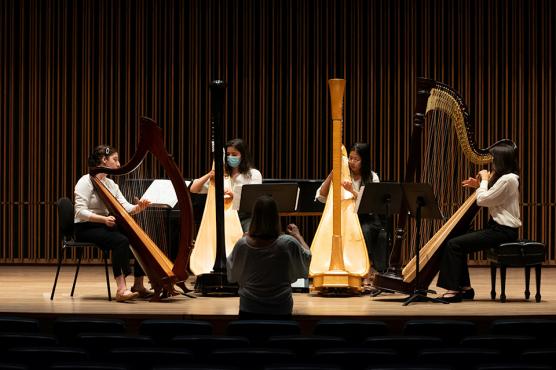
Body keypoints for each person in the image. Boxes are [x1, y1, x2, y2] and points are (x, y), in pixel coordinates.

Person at [436, 142, 521, 303]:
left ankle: (454, 290)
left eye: (493, 159)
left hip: (503, 231)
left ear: (500, 160)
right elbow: (493, 195)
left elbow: (482, 200)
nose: (491, 163)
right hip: (498, 229)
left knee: (454, 245)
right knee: (456, 239)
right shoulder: (506, 179)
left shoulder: (508, 179)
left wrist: (483, 180)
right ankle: (465, 289)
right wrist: (480, 184)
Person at [74, 145, 153, 302]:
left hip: (104, 225)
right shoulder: (86, 181)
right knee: (120, 241)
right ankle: (121, 290)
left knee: (138, 238)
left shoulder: (111, 184)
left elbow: (126, 207)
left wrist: (139, 207)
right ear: (104, 160)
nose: (118, 164)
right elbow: (79, 212)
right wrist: (103, 219)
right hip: (85, 227)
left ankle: (138, 285)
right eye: (115, 160)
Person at [227, 195, 311, 319]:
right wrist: (298, 236)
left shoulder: (243, 244)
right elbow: (307, 257)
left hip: (249, 308)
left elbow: (232, 275)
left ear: (254, 216)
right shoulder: (287, 243)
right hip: (281, 308)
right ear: (276, 216)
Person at [315, 142, 389, 273]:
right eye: (350, 158)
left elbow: (371, 204)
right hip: (346, 217)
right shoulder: (342, 174)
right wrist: (332, 174)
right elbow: (321, 195)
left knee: (365, 230)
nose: (352, 162)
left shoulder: (373, 177)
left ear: (364, 161)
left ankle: (366, 268)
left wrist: (352, 190)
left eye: (357, 159)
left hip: (366, 218)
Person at [190, 138, 262, 231]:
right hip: (223, 218)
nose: (230, 157)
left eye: (234, 154)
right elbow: (193, 189)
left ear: (243, 156)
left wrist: (233, 195)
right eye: (228, 155)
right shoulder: (221, 175)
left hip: (245, 218)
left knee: (249, 232)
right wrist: (209, 174)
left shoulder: (253, 174)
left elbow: (253, 200)